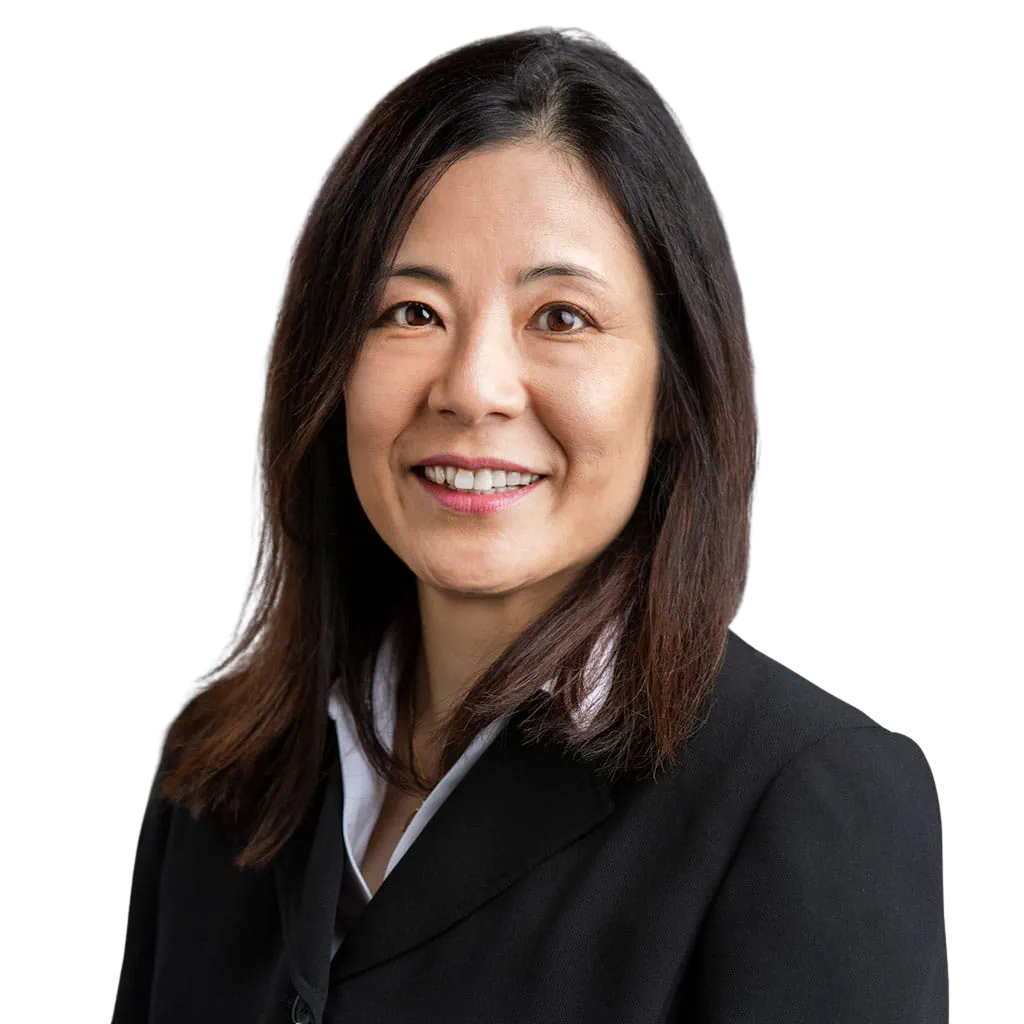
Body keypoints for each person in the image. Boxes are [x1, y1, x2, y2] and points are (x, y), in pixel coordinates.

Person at [112, 25, 948, 1023]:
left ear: (674, 386)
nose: (472, 389)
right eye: (408, 312)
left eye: (560, 317)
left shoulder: (805, 797)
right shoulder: (217, 776)